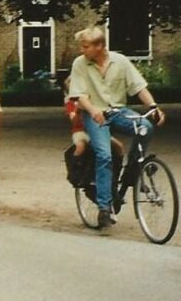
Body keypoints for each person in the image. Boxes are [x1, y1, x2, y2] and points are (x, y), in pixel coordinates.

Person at [68, 26, 165, 229]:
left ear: (100, 46)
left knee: (145, 125)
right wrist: (93, 110)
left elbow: (139, 87)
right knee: (104, 155)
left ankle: (133, 168)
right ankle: (104, 208)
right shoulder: (80, 64)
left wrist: (154, 107)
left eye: (85, 46)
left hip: (119, 111)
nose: (81, 50)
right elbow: (79, 95)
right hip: (95, 114)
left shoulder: (120, 61)